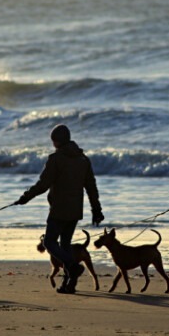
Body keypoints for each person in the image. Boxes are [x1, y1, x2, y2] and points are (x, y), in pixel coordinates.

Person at [14, 124, 104, 294]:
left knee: (49, 242)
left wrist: (26, 197)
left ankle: (72, 266)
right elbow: (91, 187)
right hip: (75, 211)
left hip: (59, 210)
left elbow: (43, 184)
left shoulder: (56, 159)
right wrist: (96, 210)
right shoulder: (83, 159)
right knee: (64, 246)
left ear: (56, 141)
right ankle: (68, 285)